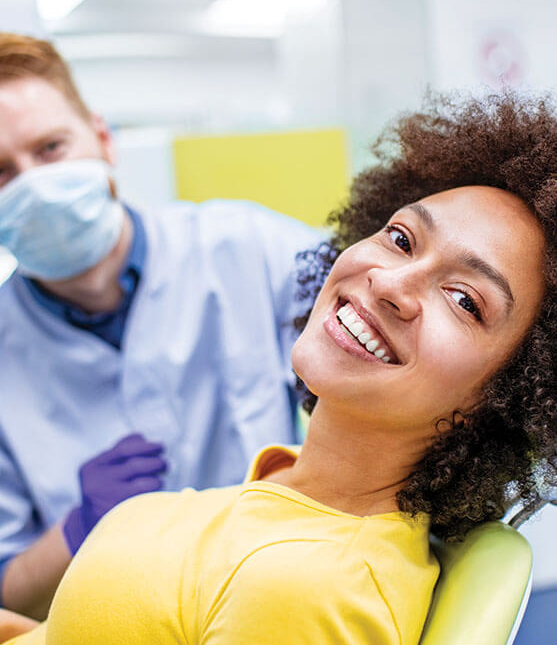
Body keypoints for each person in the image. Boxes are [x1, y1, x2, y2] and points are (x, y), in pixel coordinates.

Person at [2, 90, 556, 645]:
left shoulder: (305, 587)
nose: (388, 283)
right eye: (400, 239)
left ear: (512, 396)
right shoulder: (281, 495)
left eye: (464, 300)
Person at [0, 33, 321, 619]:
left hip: (279, 606)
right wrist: (80, 527)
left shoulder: (251, 249)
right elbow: (4, 594)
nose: (32, 185)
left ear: (102, 140)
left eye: (49, 148)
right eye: (1, 173)